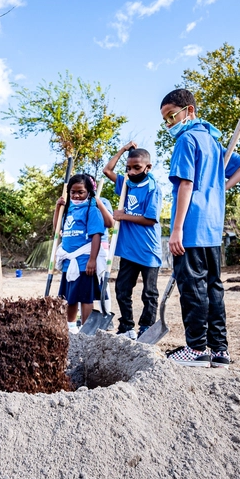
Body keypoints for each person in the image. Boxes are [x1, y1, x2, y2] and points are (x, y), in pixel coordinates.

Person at [162, 89, 240, 368]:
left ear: (189, 111)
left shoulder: (187, 140)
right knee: (213, 288)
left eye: (171, 116)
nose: (168, 124)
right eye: (165, 120)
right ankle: (219, 350)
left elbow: (186, 185)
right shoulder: (212, 142)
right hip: (213, 228)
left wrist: (176, 229)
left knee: (192, 288)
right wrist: (218, 190)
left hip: (191, 226)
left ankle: (197, 349)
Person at [103, 142, 161, 340]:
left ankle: (146, 327)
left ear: (148, 167)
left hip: (148, 249)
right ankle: (126, 326)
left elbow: (150, 219)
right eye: (128, 167)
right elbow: (107, 170)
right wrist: (123, 149)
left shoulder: (153, 188)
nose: (132, 171)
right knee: (122, 289)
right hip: (128, 249)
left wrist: (123, 216)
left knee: (150, 293)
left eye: (137, 167)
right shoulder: (126, 182)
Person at [53, 173, 107, 333]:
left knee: (85, 297)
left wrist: (92, 259)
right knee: (69, 298)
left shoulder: (92, 209)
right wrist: (58, 208)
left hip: (84, 261)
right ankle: (70, 328)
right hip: (69, 262)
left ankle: (86, 330)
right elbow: (57, 229)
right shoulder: (69, 209)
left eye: (80, 192)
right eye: (73, 192)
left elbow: (96, 234)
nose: (76, 195)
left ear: (88, 192)